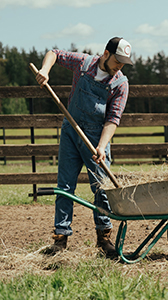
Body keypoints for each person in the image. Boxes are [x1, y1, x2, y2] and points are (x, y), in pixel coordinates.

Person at [35, 37, 133, 256]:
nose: (120, 67)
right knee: (65, 187)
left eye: (123, 63)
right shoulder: (84, 64)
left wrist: (101, 147)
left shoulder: (120, 84)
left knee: (102, 189)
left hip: (97, 138)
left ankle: (104, 238)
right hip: (71, 131)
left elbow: (112, 119)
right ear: (106, 54)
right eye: (118, 60)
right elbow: (55, 54)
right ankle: (60, 239)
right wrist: (45, 70)